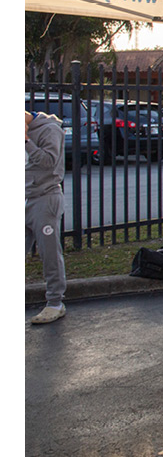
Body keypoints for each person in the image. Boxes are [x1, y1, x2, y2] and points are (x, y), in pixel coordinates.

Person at [26, 110, 68, 325]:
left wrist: (25, 141)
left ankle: (55, 303)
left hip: (45, 198)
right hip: (25, 196)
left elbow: (49, 162)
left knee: (49, 252)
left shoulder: (50, 130)